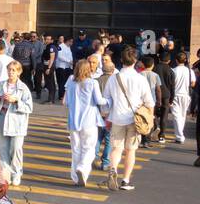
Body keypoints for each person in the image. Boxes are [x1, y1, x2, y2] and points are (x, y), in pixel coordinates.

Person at [103, 45, 155, 192]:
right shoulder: (140, 79)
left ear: (121, 60)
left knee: (116, 149)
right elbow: (149, 102)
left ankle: (113, 170)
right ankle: (125, 181)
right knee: (130, 151)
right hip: (135, 119)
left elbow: (107, 100)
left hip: (116, 117)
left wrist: (107, 117)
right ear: (135, 61)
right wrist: (149, 119)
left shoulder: (114, 78)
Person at [66, 57, 109, 187]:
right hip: (89, 120)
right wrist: (109, 101)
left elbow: (67, 102)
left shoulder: (71, 83)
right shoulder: (92, 83)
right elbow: (99, 101)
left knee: (76, 149)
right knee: (89, 148)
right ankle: (82, 168)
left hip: (73, 120)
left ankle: (76, 176)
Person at [0, 60, 33, 186]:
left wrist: (16, 101)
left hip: (17, 121)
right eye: (9, 70)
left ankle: (16, 172)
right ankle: (6, 173)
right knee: (2, 148)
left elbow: (29, 107)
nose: (11, 72)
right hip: (2, 119)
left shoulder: (23, 88)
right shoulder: (1, 85)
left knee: (15, 148)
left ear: (19, 72)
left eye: (13, 70)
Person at [140, 54, 166, 145]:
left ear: (142, 65)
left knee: (142, 119)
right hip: (152, 100)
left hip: (141, 101)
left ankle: (143, 139)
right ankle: (148, 139)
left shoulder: (139, 74)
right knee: (150, 119)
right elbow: (158, 90)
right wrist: (159, 101)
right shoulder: (155, 75)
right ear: (153, 65)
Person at [168, 51, 193, 144]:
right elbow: (193, 83)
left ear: (176, 60)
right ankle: (180, 134)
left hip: (176, 95)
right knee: (182, 115)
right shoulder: (190, 71)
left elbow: (171, 84)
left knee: (176, 116)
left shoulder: (173, 70)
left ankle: (180, 136)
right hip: (186, 95)